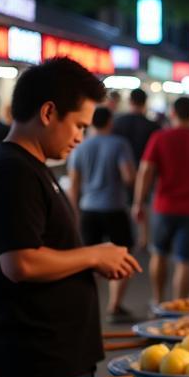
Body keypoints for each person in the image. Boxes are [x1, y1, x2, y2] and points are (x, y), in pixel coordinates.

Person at [0, 57, 141, 377]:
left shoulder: (32, 167)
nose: (81, 137)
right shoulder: (14, 171)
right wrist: (94, 254)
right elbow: (21, 262)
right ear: (48, 112)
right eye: (79, 125)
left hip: (56, 355)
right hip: (39, 360)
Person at [135, 96, 189, 302]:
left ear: (173, 113)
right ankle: (179, 305)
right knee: (184, 260)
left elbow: (146, 170)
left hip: (164, 205)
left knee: (159, 253)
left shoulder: (160, 138)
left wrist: (139, 201)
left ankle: (158, 300)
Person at [67, 106, 137, 322]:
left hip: (88, 209)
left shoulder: (80, 146)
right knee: (123, 257)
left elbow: (74, 184)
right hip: (114, 207)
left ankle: (87, 308)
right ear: (110, 122)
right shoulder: (119, 144)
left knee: (88, 261)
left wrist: (73, 212)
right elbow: (128, 177)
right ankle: (114, 306)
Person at [113, 88, 159, 246]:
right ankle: (143, 238)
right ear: (145, 102)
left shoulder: (118, 122)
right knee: (142, 203)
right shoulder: (152, 125)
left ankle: (122, 235)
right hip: (145, 170)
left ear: (130, 101)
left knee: (122, 202)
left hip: (120, 169)